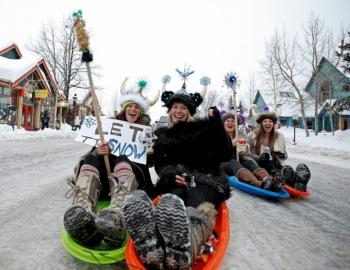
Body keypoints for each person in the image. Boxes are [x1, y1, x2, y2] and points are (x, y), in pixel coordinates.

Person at [123, 87, 233, 269]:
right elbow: (160, 165)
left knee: (197, 201)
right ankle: (153, 245)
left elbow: (225, 153)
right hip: (175, 181)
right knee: (172, 201)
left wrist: (216, 125)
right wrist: (172, 175)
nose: (179, 111)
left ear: (189, 111)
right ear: (170, 110)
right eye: (175, 107)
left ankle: (187, 247)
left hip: (204, 179)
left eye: (183, 107)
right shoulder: (161, 135)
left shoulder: (202, 130)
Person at [63, 84, 157, 247]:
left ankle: (118, 214)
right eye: (130, 106)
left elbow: (149, 164)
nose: (133, 110)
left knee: (122, 158)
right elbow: (92, 152)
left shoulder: (145, 131)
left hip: (129, 180)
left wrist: (150, 151)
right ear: (124, 108)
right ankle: (83, 208)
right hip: (104, 182)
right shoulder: (108, 126)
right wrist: (98, 151)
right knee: (91, 160)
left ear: (140, 111)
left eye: (137, 107)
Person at [220, 112, 284, 191]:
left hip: (240, 159)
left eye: (233, 121)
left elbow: (246, 149)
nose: (230, 123)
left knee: (248, 162)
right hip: (224, 162)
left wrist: (246, 149)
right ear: (223, 123)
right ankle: (257, 183)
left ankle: (268, 179)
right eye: (228, 121)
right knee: (233, 162)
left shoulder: (240, 134)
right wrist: (232, 143)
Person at [250, 111, 311, 192]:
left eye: (270, 121)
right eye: (265, 121)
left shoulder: (278, 136)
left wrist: (282, 155)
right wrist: (260, 157)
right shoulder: (254, 137)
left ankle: (297, 182)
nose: (267, 123)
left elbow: (285, 155)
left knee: (286, 169)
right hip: (262, 166)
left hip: (276, 165)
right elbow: (249, 155)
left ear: (273, 124)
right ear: (261, 124)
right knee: (269, 161)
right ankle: (284, 178)